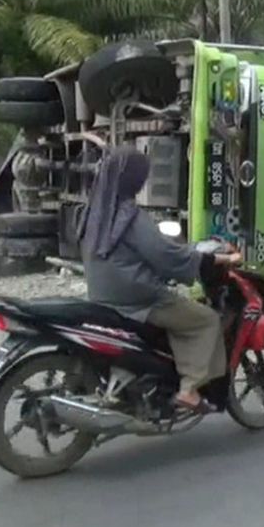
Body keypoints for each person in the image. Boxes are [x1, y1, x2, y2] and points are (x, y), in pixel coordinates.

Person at [80, 147, 241, 414]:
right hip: (139, 298)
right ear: (134, 180)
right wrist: (218, 260)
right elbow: (165, 255)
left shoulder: (94, 212)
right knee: (205, 319)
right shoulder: (130, 216)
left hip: (101, 295)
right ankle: (189, 390)